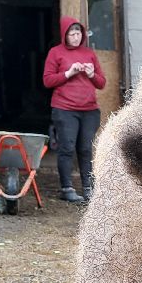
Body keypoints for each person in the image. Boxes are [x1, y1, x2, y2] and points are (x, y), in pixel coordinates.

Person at [43, 17, 106, 202]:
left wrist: (91, 74)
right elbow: (47, 80)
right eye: (72, 33)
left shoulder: (89, 54)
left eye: (78, 33)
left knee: (86, 149)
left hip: (89, 110)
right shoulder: (56, 53)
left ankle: (88, 188)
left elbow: (101, 83)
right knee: (67, 148)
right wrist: (68, 73)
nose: (76, 36)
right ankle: (67, 188)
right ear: (65, 34)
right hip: (65, 108)